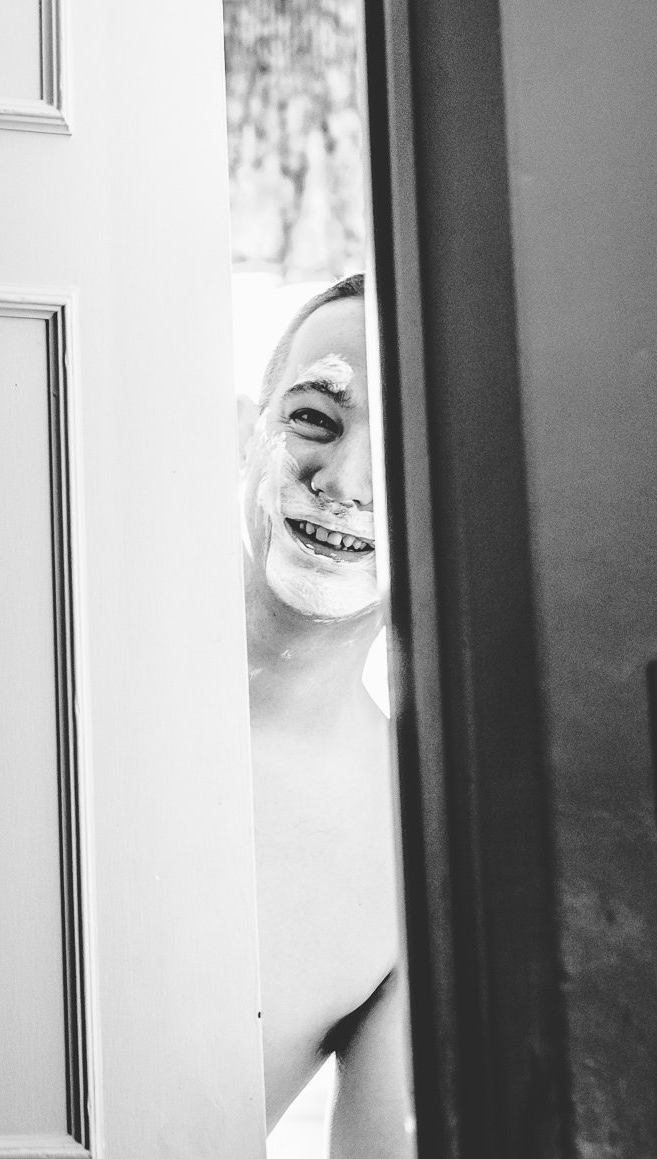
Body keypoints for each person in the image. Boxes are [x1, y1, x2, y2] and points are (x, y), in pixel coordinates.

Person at [241, 274, 413, 1157]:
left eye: (402, 442)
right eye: (314, 417)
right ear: (248, 429)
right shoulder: (52, 666)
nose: (346, 482)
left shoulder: (413, 849)